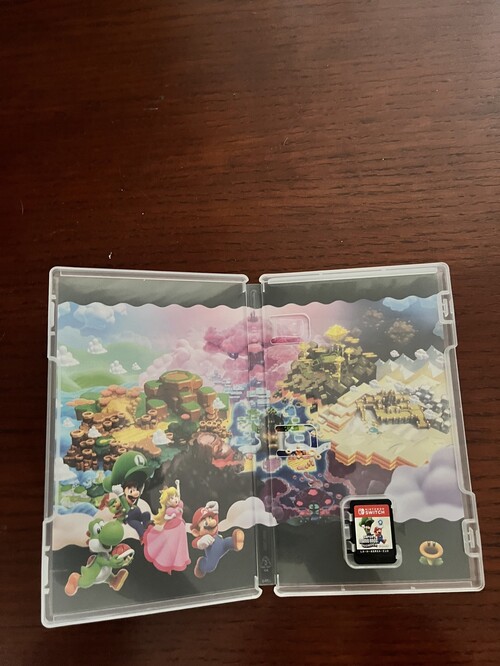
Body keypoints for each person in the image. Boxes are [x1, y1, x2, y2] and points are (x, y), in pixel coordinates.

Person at [142, 481, 190, 574]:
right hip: (172, 530)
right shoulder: (170, 510)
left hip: (180, 530)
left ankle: (175, 563)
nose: (175, 499)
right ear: (167, 502)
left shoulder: (179, 504)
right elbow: (166, 517)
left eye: (175, 497)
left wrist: (178, 485)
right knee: (169, 546)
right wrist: (171, 517)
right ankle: (167, 564)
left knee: (179, 547)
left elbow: (178, 495)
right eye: (172, 498)